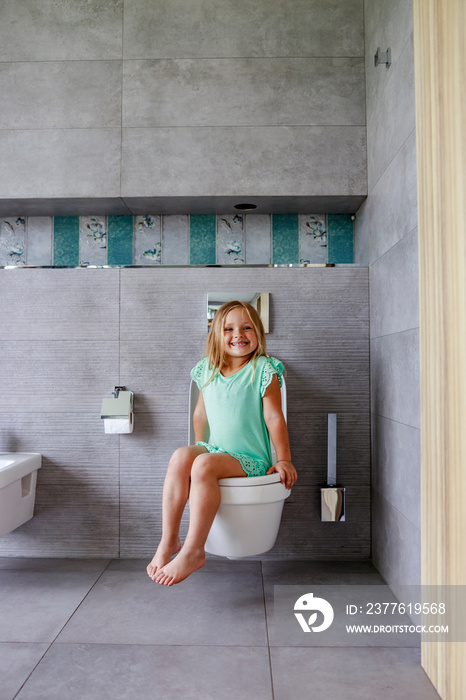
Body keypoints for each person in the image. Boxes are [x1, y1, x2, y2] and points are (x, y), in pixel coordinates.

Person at [147, 300, 297, 586]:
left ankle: (193, 551)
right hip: (218, 451)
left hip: (251, 458)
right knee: (181, 456)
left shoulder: (263, 368)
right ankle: (169, 541)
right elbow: (200, 414)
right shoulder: (207, 369)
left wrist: (284, 459)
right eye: (228, 329)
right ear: (216, 334)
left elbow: (275, 418)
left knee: (203, 466)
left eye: (246, 328)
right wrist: (196, 451)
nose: (238, 334)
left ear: (258, 333)